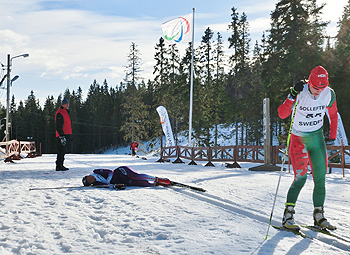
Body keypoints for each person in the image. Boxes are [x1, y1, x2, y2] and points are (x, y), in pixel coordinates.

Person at [278, 66, 338, 231]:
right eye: (315, 87)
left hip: (317, 139)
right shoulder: (300, 92)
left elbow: (333, 115)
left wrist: (332, 135)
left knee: (320, 178)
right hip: (299, 140)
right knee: (301, 178)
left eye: (322, 88)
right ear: (308, 82)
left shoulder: (329, 94)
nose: (318, 92)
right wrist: (291, 96)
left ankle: (319, 215)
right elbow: (282, 114)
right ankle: (288, 215)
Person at [82, 166, 171, 187]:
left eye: (88, 177)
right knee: (139, 183)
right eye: (90, 181)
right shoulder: (97, 184)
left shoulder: (96, 172)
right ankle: (157, 184)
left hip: (121, 172)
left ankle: (158, 179)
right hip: (122, 180)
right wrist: (115, 186)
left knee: (135, 176)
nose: (90, 178)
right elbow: (108, 186)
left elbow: (110, 172)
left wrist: (108, 181)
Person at [55, 98, 72, 171]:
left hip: (67, 134)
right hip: (62, 134)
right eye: (66, 104)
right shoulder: (60, 113)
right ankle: (59, 165)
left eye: (68, 104)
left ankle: (61, 165)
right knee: (61, 150)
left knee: (63, 150)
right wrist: (61, 136)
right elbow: (58, 126)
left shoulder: (65, 112)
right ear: (63, 105)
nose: (67, 105)